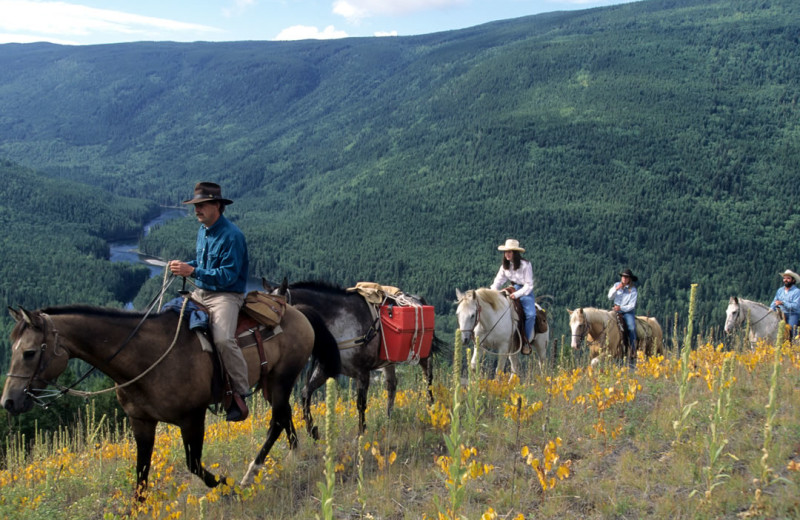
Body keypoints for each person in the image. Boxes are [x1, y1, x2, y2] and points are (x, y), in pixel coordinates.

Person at [168, 182, 251, 422]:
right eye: (195, 206)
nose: (197, 210)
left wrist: (192, 270)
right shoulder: (204, 230)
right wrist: (185, 265)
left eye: (201, 205)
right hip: (203, 291)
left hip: (226, 295)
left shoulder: (233, 236)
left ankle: (239, 392)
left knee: (224, 339)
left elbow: (228, 275)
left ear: (217, 205)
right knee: (169, 318)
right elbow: (203, 262)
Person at [490, 238, 536, 355]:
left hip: (525, 292)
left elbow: (529, 285)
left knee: (531, 315)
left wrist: (517, 294)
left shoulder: (526, 265)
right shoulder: (504, 266)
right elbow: (497, 281)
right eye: (506, 252)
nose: (507, 254)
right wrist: (493, 292)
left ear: (515, 253)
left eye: (510, 252)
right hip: (512, 289)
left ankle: (526, 341)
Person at [608, 268, 638, 363]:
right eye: (623, 277)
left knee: (631, 328)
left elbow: (631, 305)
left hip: (627, 312)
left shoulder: (632, 290)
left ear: (629, 279)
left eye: (626, 277)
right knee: (606, 324)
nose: (624, 279)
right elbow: (610, 297)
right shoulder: (616, 285)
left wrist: (621, 308)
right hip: (615, 310)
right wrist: (616, 289)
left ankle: (633, 349)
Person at [770, 269, 800, 338]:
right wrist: (771, 309)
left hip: (792, 314)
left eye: (788, 278)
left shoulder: (797, 292)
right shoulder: (780, 290)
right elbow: (775, 301)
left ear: (793, 280)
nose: (785, 280)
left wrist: (783, 303)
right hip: (780, 313)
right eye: (784, 278)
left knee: (791, 331)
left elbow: (795, 306)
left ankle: (793, 344)